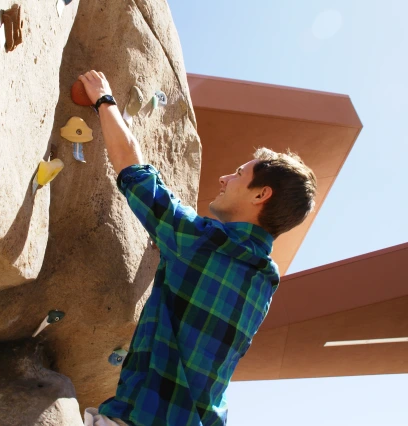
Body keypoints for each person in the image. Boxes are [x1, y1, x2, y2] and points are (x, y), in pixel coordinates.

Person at [78, 70, 317, 426]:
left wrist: (103, 99)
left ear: (261, 194)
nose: (225, 178)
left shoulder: (204, 244)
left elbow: (134, 170)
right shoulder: (265, 279)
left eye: (239, 174)